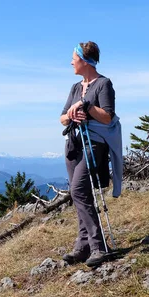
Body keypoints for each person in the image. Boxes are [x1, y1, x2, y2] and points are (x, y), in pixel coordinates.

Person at [59, 41, 123, 267]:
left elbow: (107, 117)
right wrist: (71, 115)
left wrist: (85, 106)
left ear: (84, 61)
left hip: (94, 144)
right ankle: (83, 246)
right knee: (79, 194)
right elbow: (62, 118)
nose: (71, 63)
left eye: (73, 59)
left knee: (77, 190)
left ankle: (98, 246)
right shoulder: (75, 87)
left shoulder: (104, 84)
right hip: (75, 143)